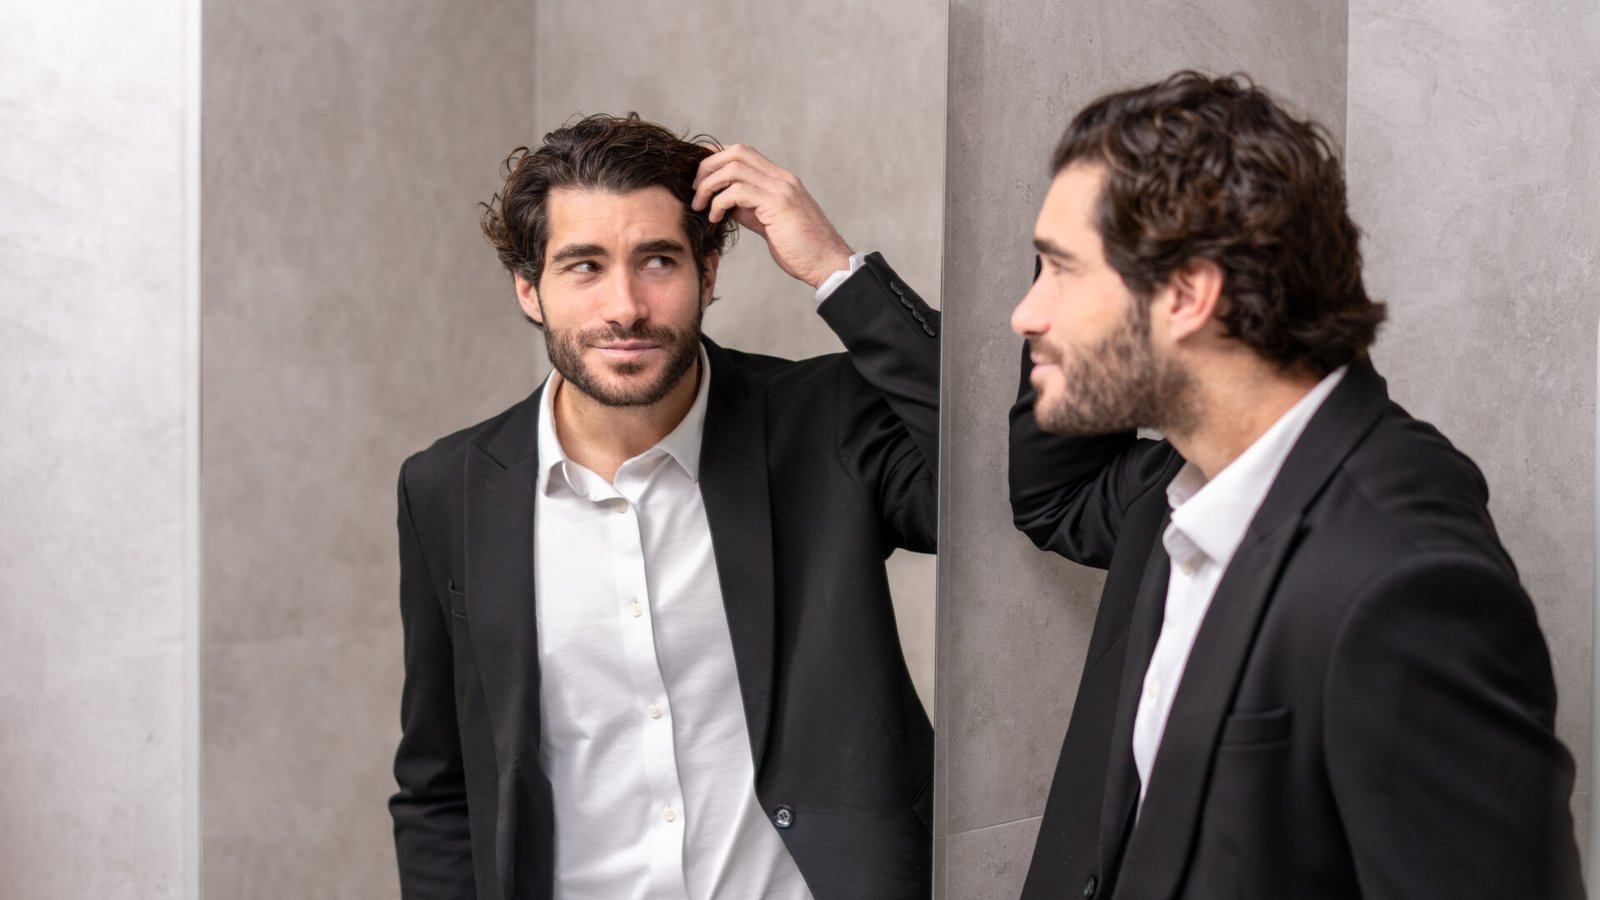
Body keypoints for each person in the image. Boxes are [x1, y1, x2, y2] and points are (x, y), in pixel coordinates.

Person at [1007, 72, 1583, 899]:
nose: (1025, 314)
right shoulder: (1180, 501)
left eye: (1060, 270)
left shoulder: (1402, 576)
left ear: (1187, 293)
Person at [389, 114, 938, 900]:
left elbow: (1003, 473)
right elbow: (439, 786)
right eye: (583, 266)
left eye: (657, 260)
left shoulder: (824, 425)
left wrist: (835, 269)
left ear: (708, 272)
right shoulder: (448, 488)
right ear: (528, 290)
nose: (626, 306)